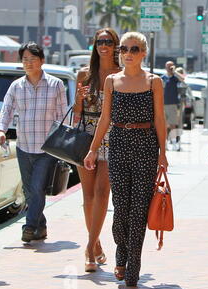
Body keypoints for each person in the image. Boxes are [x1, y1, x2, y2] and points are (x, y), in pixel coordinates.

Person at [83, 32, 168, 287]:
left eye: (134, 49)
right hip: (118, 145)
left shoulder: (154, 82)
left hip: (145, 146)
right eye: (124, 49)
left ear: (143, 53)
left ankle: (133, 266)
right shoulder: (111, 81)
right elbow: (105, 118)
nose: (127, 53)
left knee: (139, 209)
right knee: (121, 209)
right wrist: (92, 149)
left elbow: (160, 120)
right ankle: (121, 253)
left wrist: (163, 153)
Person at [0, 42, 67, 243]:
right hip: (24, 146)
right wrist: (1, 130)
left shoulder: (56, 85)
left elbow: (63, 116)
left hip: (47, 148)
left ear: (42, 61)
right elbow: (7, 110)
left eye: (32, 59)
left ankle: (29, 227)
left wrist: (62, 143)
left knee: (37, 188)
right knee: (29, 191)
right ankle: (41, 226)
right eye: (25, 59)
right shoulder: (16, 86)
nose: (28, 63)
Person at [73, 28, 122, 272]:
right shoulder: (84, 74)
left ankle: (90, 248)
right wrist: (80, 99)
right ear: (94, 45)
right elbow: (77, 113)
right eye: (100, 41)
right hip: (87, 136)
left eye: (109, 41)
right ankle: (96, 243)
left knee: (103, 193)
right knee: (89, 195)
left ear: (116, 46)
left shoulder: (121, 74)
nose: (104, 45)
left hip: (113, 136)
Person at [161, 61, 185, 151]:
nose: (169, 68)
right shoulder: (162, 78)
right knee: (163, 125)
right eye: (167, 66)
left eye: (170, 66)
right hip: (163, 104)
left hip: (172, 104)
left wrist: (174, 71)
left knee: (172, 124)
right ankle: (165, 144)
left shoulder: (175, 78)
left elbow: (183, 79)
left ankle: (174, 143)